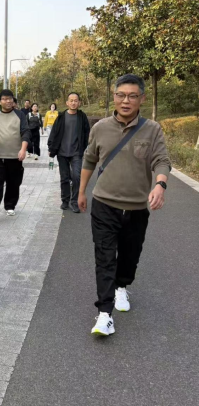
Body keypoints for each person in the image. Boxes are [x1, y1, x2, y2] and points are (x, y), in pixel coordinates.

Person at [79, 74, 171, 336]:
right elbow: (89, 160)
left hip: (136, 208)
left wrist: (160, 184)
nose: (126, 100)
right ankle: (104, 313)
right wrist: (82, 192)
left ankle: (122, 286)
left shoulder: (152, 129)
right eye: (121, 95)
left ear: (142, 98)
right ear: (114, 97)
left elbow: (161, 160)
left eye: (132, 96)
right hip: (104, 204)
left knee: (130, 256)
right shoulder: (100, 128)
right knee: (104, 256)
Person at [0, 89, 31, 219]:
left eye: (10, 99)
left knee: (14, 183)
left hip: (15, 156)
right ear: (0, 101)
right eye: (5, 99)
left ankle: (10, 206)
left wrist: (23, 149)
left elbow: (26, 132)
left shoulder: (19, 115)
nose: (8, 101)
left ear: (13, 100)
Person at [48, 92, 90, 213]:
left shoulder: (82, 117)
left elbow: (87, 133)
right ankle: (65, 200)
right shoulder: (61, 117)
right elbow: (54, 133)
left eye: (75, 100)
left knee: (77, 176)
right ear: (67, 103)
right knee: (64, 178)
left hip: (76, 152)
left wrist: (85, 147)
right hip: (62, 153)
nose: (73, 103)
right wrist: (51, 148)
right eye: (71, 100)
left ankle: (74, 201)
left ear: (79, 102)